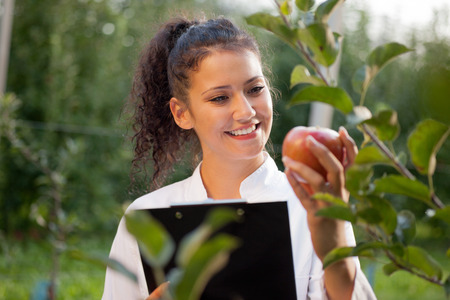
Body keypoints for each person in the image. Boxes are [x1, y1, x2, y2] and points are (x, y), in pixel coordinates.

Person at [102, 16, 377, 300]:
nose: (245, 111)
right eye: (219, 98)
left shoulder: (313, 205)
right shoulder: (144, 218)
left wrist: (333, 242)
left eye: (255, 89)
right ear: (181, 113)